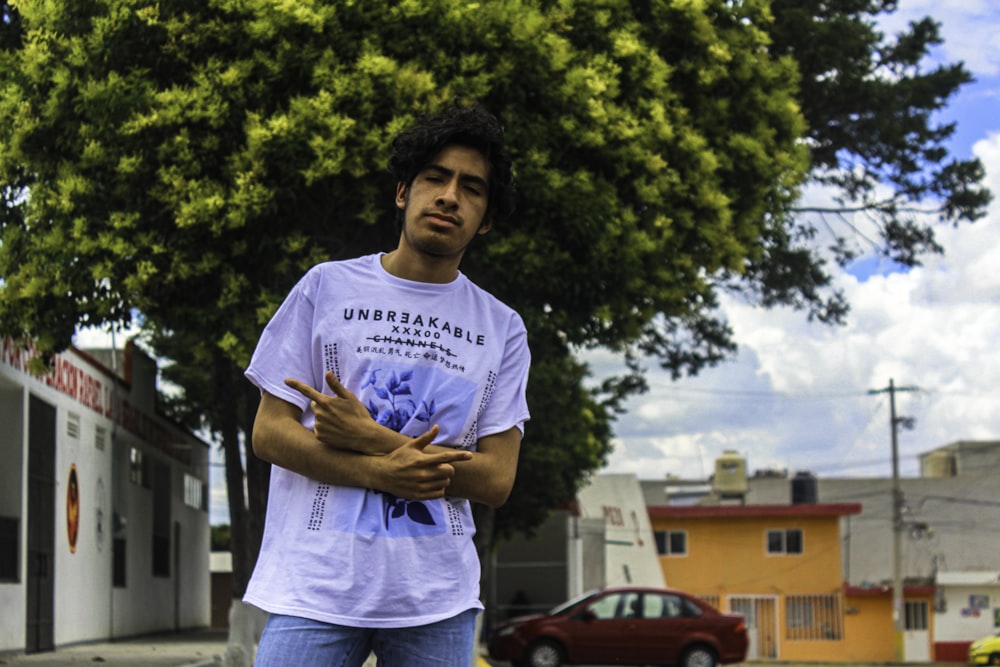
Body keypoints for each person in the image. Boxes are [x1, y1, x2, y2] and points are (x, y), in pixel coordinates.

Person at [244, 104, 531, 667]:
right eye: (435, 178)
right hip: (314, 588)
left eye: (471, 188)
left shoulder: (502, 327)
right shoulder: (325, 287)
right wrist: (381, 469)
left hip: (435, 601)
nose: (450, 196)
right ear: (403, 192)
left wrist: (368, 436)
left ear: (486, 218)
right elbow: (270, 434)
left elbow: (496, 478)